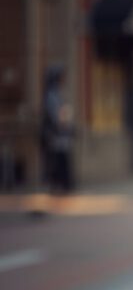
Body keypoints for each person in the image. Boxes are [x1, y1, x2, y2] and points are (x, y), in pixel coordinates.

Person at [41, 66, 75, 194]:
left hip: (62, 134)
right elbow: (56, 115)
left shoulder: (57, 93)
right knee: (57, 160)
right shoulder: (51, 95)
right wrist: (63, 121)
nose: (63, 81)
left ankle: (63, 184)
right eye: (60, 78)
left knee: (63, 159)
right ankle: (57, 184)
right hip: (55, 135)